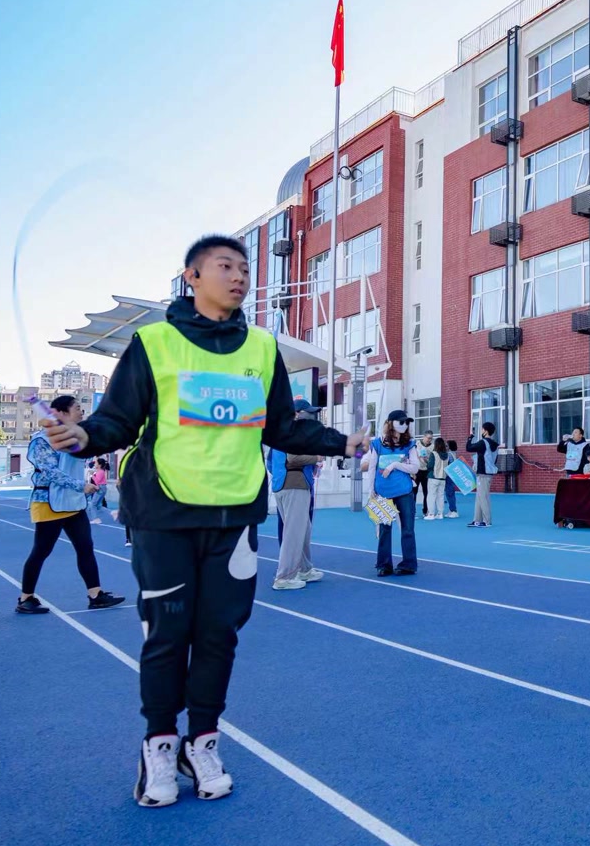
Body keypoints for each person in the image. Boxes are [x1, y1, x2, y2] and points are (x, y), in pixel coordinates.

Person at [43, 234, 365, 807]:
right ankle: (159, 746)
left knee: (219, 634)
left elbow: (282, 426)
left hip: (235, 516)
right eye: (224, 266)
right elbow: (117, 420)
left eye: (244, 268)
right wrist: (84, 436)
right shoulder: (154, 343)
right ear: (191, 276)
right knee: (168, 633)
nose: (239, 276)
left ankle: (204, 742)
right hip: (163, 514)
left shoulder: (261, 348)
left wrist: (340, 441)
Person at [19, 395, 125, 615]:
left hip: (74, 503)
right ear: (61, 412)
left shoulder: (76, 437)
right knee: (41, 550)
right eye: (77, 408)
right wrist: (80, 485)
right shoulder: (41, 440)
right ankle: (25, 598)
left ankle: (95, 594)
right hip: (49, 502)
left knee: (85, 547)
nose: (81, 412)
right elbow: (50, 472)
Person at [267, 396, 325, 591]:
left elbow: (271, 462)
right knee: (294, 533)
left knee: (302, 530)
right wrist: (316, 457)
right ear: (297, 414)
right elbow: (293, 458)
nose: (312, 417)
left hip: (286, 485)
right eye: (309, 413)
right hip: (294, 485)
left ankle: (304, 569)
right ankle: (284, 577)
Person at [368, 410, 422, 576]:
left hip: (404, 491)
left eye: (407, 423)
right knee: (384, 529)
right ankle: (384, 564)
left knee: (407, 529)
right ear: (391, 423)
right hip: (382, 491)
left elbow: (415, 467)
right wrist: (371, 490)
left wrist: (395, 465)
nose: (405, 425)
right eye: (401, 422)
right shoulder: (377, 444)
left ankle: (409, 564)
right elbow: (372, 467)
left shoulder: (410, 444)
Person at [467, 422, 498, 527]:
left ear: (485, 431)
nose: (481, 431)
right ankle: (477, 519)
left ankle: (487, 521)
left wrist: (470, 438)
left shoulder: (483, 443)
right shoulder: (494, 444)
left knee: (483, 497)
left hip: (483, 472)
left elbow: (469, 448)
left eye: (482, 429)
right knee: (479, 497)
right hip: (488, 472)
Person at [434, 437, 461, 518]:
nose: (445, 447)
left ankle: (453, 511)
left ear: (450, 447)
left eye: (446, 446)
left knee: (450, 493)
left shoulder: (449, 455)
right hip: (450, 476)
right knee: (449, 493)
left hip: (449, 476)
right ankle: (451, 510)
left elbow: (449, 465)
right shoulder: (453, 453)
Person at [414, 432, 437, 520]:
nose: (429, 440)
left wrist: (427, 460)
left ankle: (426, 511)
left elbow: (433, 460)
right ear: (424, 437)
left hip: (426, 471)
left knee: (426, 492)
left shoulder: (433, 447)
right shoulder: (416, 444)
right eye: (428, 438)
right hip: (417, 470)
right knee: (414, 492)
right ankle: (413, 512)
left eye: (431, 438)